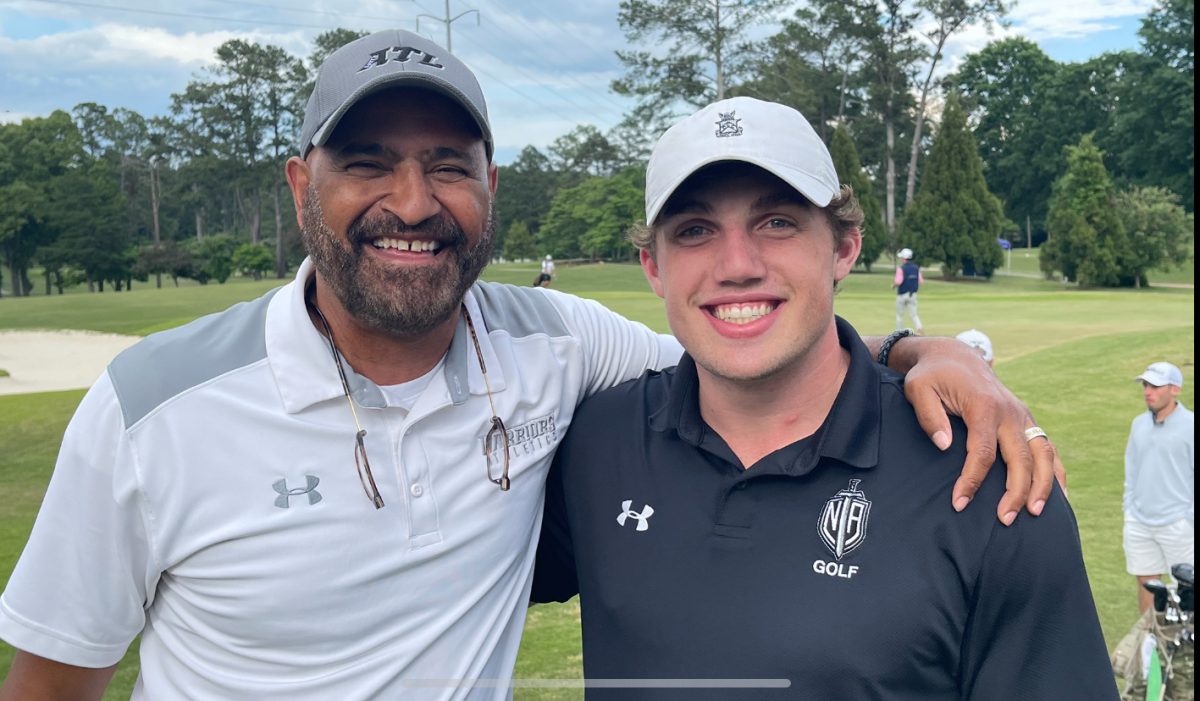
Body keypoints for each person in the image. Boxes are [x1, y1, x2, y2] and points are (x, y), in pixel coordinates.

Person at [0, 30, 1059, 700]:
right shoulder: (151, 407)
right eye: (367, 161)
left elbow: (747, 345)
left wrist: (925, 355)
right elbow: (51, 680)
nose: (411, 203)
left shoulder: (557, 349)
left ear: (489, 187)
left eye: (447, 167)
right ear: (297, 184)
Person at [533, 97, 1115, 699]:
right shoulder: (596, 442)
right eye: (696, 231)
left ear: (842, 249)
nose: (736, 265)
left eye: (776, 222)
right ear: (654, 268)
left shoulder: (984, 477)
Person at [1124, 361, 1194, 612]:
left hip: (1178, 524)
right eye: (1145, 385)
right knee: (1147, 584)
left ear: (1174, 389)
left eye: (1155, 386)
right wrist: (1129, 509)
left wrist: (1188, 519)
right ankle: (1149, 646)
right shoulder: (1138, 424)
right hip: (1140, 521)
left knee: (1186, 589)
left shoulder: (1191, 426)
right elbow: (1131, 470)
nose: (1147, 392)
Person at [894, 246, 924, 333]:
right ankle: (920, 329)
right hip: (913, 294)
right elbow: (920, 281)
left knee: (899, 315)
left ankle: (898, 332)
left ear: (904, 258)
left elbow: (898, 282)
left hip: (902, 294)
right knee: (914, 315)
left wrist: (893, 286)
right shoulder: (916, 268)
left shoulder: (901, 268)